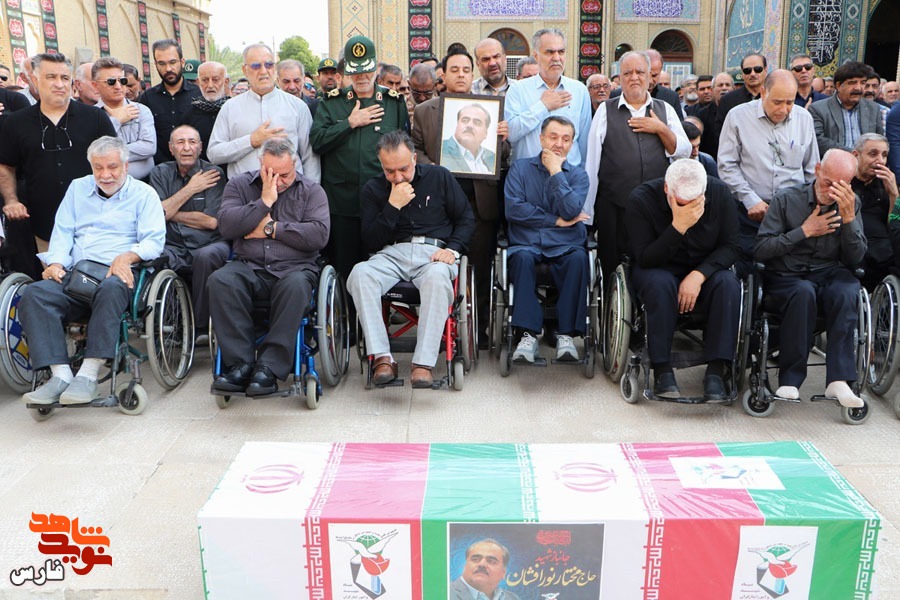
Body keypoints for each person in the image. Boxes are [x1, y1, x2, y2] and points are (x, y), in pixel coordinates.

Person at [19, 136, 165, 405]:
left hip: (117, 275)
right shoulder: (78, 188)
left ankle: (87, 375)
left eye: (112, 167)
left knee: (111, 287)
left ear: (126, 166)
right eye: (99, 168)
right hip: (77, 274)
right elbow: (63, 231)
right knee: (35, 294)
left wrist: (127, 257)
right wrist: (56, 263)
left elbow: (154, 241)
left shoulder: (144, 194)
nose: (105, 175)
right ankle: (60, 376)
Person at [347, 131, 474, 388]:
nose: (398, 177)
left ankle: (423, 364)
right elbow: (370, 241)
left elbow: (466, 219)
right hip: (392, 254)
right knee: (359, 273)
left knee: (438, 277)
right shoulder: (373, 188)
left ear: (414, 158)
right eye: (389, 171)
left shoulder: (439, 177)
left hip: (433, 253)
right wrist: (392, 207)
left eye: (403, 169)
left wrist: (453, 250)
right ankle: (382, 357)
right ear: (381, 165)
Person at [209, 137, 329, 396]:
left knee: (296, 286)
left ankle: (269, 367)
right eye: (271, 174)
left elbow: (318, 235)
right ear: (260, 164)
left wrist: (271, 229)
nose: (278, 181)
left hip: (294, 268)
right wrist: (264, 201)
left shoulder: (312, 191)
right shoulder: (239, 185)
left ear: (295, 164)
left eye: (284, 175)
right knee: (221, 280)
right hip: (248, 265)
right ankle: (239, 365)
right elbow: (227, 226)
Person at [755, 149, 867, 408]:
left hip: (829, 271)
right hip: (788, 275)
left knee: (847, 290)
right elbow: (761, 249)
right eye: (828, 183)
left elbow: (857, 259)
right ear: (817, 170)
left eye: (841, 186)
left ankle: (839, 380)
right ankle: (790, 380)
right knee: (803, 292)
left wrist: (849, 220)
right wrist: (804, 231)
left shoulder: (851, 203)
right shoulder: (786, 199)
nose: (832, 191)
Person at [412, 50, 507, 348]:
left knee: (480, 268)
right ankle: (442, 331)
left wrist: (502, 140)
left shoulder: (489, 108)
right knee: (438, 269)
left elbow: (502, 157)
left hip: (480, 202)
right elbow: (415, 150)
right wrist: (435, 169)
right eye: (455, 69)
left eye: (466, 69)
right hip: (440, 205)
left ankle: (479, 331)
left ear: (473, 73)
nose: (461, 75)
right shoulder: (425, 111)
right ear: (443, 75)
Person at [626, 159, 741, 400]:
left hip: (704, 269)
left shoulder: (720, 193)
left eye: (695, 203)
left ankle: (717, 370)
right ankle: (662, 368)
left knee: (728, 284)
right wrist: (678, 227)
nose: (688, 209)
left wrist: (699, 275)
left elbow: (732, 246)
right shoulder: (641, 200)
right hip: (658, 267)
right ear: (667, 189)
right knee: (660, 284)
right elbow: (644, 257)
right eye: (681, 203)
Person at [583, 50, 690, 276]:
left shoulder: (665, 109)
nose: (634, 77)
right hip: (614, 207)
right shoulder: (605, 110)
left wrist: (661, 129)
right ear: (619, 78)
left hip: (656, 208)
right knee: (613, 269)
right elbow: (592, 163)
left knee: (652, 266)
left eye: (640, 72)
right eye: (627, 73)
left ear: (650, 76)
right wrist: (588, 214)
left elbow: (684, 152)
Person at [310, 35, 408, 281]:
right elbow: (318, 142)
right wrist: (350, 123)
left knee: (383, 268)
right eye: (356, 72)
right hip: (343, 202)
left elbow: (404, 148)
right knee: (345, 267)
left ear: (376, 69)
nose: (362, 78)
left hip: (383, 200)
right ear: (347, 72)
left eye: (367, 71)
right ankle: (346, 307)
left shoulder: (393, 102)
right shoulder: (332, 103)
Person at [0, 53, 116, 254]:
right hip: (42, 225)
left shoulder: (95, 118)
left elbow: (116, 161)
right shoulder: (16, 123)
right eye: (51, 77)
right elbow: (6, 165)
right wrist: (11, 200)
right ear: (35, 80)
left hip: (93, 223)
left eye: (64, 78)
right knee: (50, 273)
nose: (59, 84)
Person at [504, 116, 590, 363]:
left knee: (578, 259)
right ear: (541, 139)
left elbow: (571, 210)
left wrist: (555, 172)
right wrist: (555, 220)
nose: (559, 144)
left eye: (566, 139)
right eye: (553, 137)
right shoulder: (520, 169)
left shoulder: (578, 176)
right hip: (527, 242)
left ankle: (566, 335)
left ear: (572, 144)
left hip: (566, 244)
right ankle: (527, 335)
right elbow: (514, 209)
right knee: (521, 258)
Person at [718, 70, 819, 273]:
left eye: (790, 102)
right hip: (751, 212)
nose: (784, 109)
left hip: (793, 214)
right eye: (777, 102)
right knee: (750, 266)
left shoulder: (804, 119)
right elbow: (727, 165)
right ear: (763, 92)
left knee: (788, 271)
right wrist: (749, 199)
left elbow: (812, 168)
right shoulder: (738, 117)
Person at [149, 125, 229, 333]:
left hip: (208, 242)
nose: (186, 147)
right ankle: (168, 324)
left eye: (192, 142)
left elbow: (211, 222)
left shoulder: (213, 173)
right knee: (154, 254)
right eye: (180, 142)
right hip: (172, 244)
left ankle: (199, 327)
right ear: (171, 148)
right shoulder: (160, 172)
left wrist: (169, 211)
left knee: (205, 257)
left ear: (200, 147)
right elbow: (156, 215)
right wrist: (191, 188)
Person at [207, 44, 319, 181]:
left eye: (269, 65)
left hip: (290, 190)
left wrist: (310, 191)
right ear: (245, 70)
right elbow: (214, 154)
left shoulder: (297, 106)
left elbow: (310, 157)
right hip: (244, 191)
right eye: (256, 66)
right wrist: (250, 141)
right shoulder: (230, 107)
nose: (264, 71)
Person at [505, 28, 591, 166]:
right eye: (549, 52)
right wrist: (543, 106)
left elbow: (584, 143)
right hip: (528, 175)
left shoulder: (579, 90)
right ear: (536, 56)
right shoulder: (518, 90)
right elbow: (511, 133)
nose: (556, 58)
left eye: (561, 52)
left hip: (568, 174)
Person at [139, 40, 202, 166]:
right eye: (162, 64)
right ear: (155, 64)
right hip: (158, 170)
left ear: (182, 62)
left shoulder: (199, 95)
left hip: (196, 168)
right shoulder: (147, 98)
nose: (168, 69)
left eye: (172, 62)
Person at [93, 57, 156, 180]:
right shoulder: (90, 114)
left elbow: (149, 147)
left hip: (145, 183)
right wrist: (115, 121)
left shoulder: (142, 110)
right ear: (95, 86)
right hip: (106, 184)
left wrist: (110, 154)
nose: (118, 86)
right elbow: (95, 152)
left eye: (122, 80)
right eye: (111, 82)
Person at [851, 133, 900, 286]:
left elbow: (895, 226)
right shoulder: (844, 182)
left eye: (884, 155)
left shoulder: (886, 184)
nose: (880, 161)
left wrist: (894, 194)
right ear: (856, 155)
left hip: (886, 253)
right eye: (873, 154)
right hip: (856, 252)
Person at [809, 61, 883, 155]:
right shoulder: (818, 109)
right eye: (852, 83)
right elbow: (819, 141)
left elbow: (879, 140)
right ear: (838, 85)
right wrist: (853, 154)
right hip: (835, 161)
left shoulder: (873, 108)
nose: (858, 88)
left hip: (865, 163)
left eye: (863, 83)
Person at [179, 61, 229, 162]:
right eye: (205, 80)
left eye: (215, 80)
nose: (210, 85)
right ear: (198, 82)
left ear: (226, 81)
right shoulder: (189, 114)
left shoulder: (234, 109)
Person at [715, 53, 768, 139]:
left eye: (757, 69)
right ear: (742, 73)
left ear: (765, 70)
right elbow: (722, 134)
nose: (752, 74)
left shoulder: (773, 98)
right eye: (747, 70)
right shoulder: (728, 100)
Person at [450, 539, 520, 600]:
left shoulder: (513, 598)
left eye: (491, 561)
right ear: (465, 566)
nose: (482, 564)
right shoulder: (447, 593)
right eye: (475, 559)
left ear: (503, 572)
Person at [440, 103, 497, 174]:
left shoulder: (492, 157)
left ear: (485, 133)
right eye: (465, 121)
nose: (469, 125)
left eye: (477, 123)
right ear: (457, 125)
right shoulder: (441, 149)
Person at [697, 72, 733, 159]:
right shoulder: (703, 114)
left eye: (727, 85)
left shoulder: (739, 111)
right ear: (712, 90)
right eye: (720, 85)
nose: (724, 88)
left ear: (733, 88)